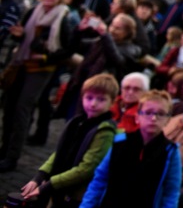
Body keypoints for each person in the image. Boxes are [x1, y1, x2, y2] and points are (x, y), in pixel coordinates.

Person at [0, 0, 74, 172]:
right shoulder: (33, 11)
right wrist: (18, 35)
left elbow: (67, 51)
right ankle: (3, 148)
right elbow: (23, 35)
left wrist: (44, 55)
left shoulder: (62, 18)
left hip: (41, 69)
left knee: (22, 109)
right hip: (20, 63)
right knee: (9, 107)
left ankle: (12, 156)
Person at [19, 73, 119, 205]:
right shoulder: (78, 121)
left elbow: (86, 169)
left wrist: (49, 184)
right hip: (60, 186)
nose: (93, 104)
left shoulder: (105, 131)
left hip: (76, 195)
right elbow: (60, 152)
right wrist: (40, 176)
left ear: (112, 102)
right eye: (89, 98)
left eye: (101, 99)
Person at [80, 89, 182, 208]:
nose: (153, 118)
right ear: (138, 116)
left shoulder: (170, 150)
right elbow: (100, 179)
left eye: (160, 114)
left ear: (168, 120)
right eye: (148, 112)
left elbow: (171, 192)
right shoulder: (120, 142)